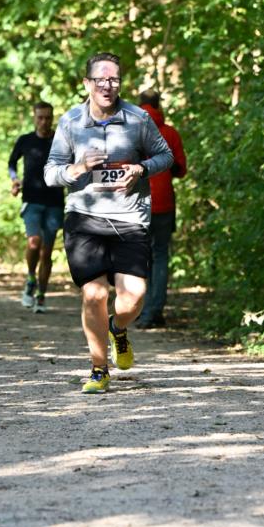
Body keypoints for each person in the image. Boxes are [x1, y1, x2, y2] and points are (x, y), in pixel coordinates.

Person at [44, 52, 173, 393]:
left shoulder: (138, 119)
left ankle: (117, 328)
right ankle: (99, 369)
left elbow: (166, 156)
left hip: (130, 217)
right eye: (100, 80)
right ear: (87, 84)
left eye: (114, 80)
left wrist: (141, 169)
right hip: (84, 218)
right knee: (94, 294)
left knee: (133, 298)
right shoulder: (70, 122)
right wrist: (77, 168)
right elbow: (50, 172)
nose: (108, 85)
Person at [136, 89, 187, 328]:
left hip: (136, 203)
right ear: (159, 105)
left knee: (139, 258)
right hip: (164, 202)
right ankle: (154, 311)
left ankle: (140, 310)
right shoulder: (170, 133)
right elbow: (181, 169)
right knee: (160, 256)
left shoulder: (130, 131)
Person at [8, 101, 64, 313]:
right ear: (34, 117)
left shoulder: (61, 140)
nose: (44, 122)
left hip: (54, 202)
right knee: (34, 242)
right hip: (31, 200)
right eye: (40, 117)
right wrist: (14, 180)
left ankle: (41, 295)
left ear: (52, 118)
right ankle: (31, 277)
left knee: (46, 252)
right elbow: (12, 163)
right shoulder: (25, 140)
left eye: (48, 117)